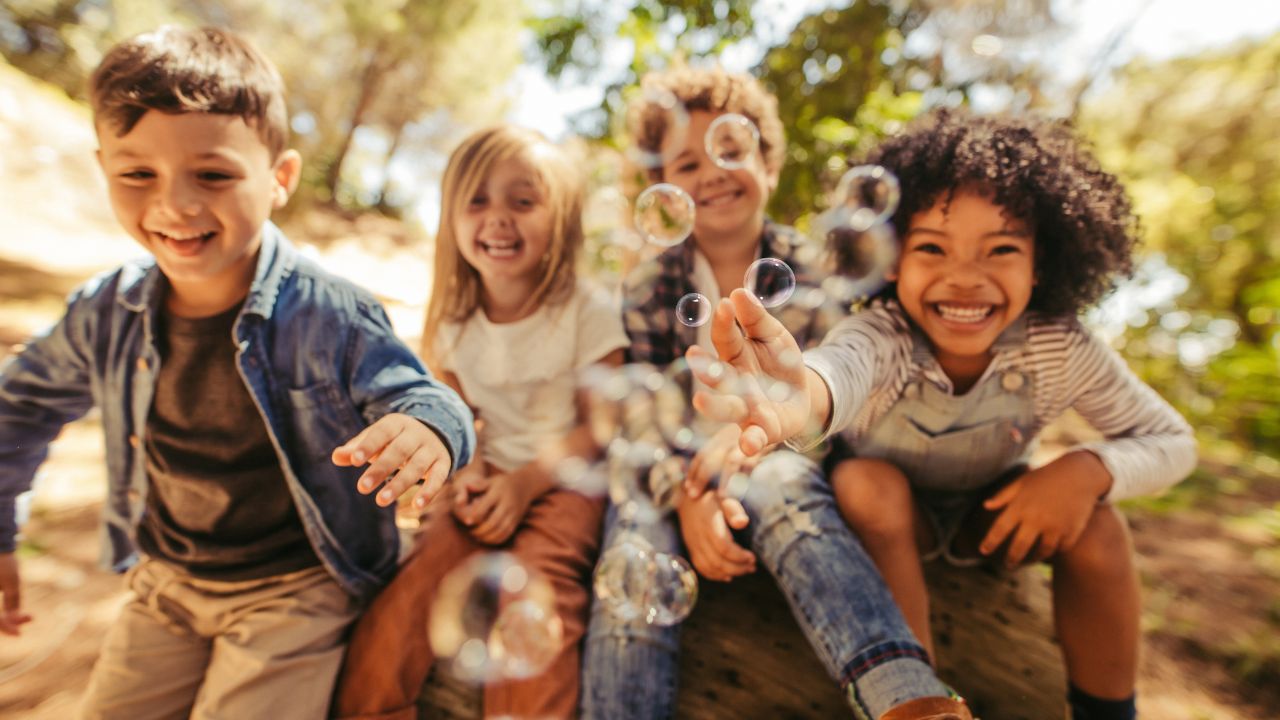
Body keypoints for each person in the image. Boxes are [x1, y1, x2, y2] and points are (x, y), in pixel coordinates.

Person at [0, 26, 475, 719]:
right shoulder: (105, 312)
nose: (175, 205)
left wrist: (427, 430)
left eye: (213, 175)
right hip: (168, 583)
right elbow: (19, 407)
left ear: (280, 178)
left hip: (296, 590)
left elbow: (427, 398)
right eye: (138, 175)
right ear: (104, 168)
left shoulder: (331, 313)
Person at [688, 108, 1197, 720]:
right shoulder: (883, 334)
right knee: (866, 481)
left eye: (1001, 249)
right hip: (892, 517)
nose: (964, 279)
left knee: (1100, 522)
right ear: (891, 258)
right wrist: (801, 394)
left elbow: (1173, 440)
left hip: (995, 514)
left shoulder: (1058, 346)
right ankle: (916, 697)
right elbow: (839, 370)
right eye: (932, 247)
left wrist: (1087, 470)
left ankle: (1109, 712)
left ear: (1041, 263)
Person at [581, 65, 974, 720]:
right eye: (686, 163)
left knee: (787, 490)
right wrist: (689, 494)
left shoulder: (812, 270)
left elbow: (824, 405)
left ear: (767, 163)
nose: (711, 172)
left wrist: (742, 457)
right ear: (662, 190)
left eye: (730, 151)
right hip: (673, 470)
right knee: (634, 534)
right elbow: (641, 415)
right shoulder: (650, 287)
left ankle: (911, 701)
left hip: (777, 457)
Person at [331, 125, 629, 720]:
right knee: (421, 578)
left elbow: (601, 425)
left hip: (566, 480)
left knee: (544, 588)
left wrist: (525, 485)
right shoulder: (453, 321)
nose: (497, 218)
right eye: (476, 200)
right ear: (450, 218)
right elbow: (458, 415)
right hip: (483, 475)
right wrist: (471, 473)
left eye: (523, 200)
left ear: (562, 218)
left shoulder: (587, 308)